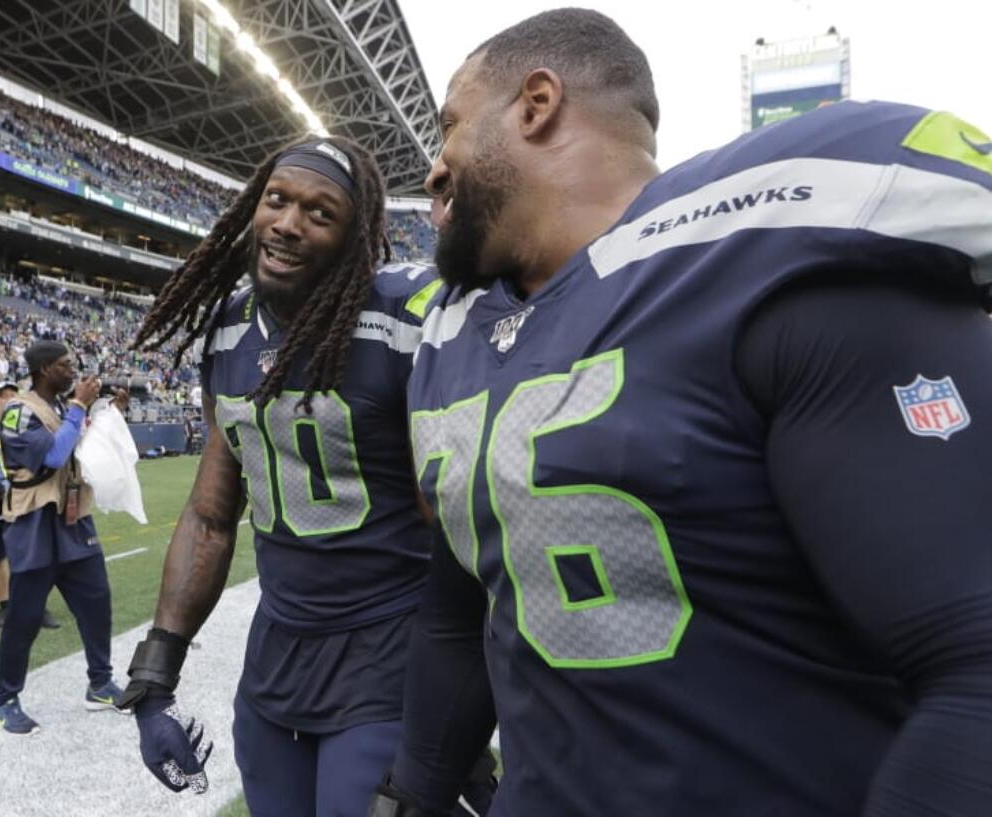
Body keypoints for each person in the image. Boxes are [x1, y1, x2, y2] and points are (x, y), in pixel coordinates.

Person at [371, 10, 992, 817]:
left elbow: (974, 666)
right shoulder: (456, 333)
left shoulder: (762, 256)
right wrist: (411, 792)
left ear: (536, 103)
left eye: (450, 123)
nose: (432, 169)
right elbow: (460, 613)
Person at [121, 135, 493, 816]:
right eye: (278, 200)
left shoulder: (405, 319)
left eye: (320, 213)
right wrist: (155, 673)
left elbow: (456, 531)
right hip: (276, 657)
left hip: (389, 651)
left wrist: (461, 704)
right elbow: (210, 516)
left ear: (355, 239)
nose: (289, 223)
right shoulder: (228, 329)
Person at [0, 340, 123, 735]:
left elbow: (81, 448)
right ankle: (6, 699)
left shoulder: (64, 407)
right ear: (46, 369)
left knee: (97, 602)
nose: (74, 370)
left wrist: (111, 413)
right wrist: (81, 407)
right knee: (25, 615)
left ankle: (99, 683)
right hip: (33, 521)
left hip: (72, 517)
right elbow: (50, 456)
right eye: (66, 365)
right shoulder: (17, 411)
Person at [0, 381, 59, 630]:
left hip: (27, 498)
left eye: (12, 395)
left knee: (35, 554)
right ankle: (6, 606)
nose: (7, 400)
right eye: (2, 396)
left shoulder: (30, 425)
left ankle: (37, 606)